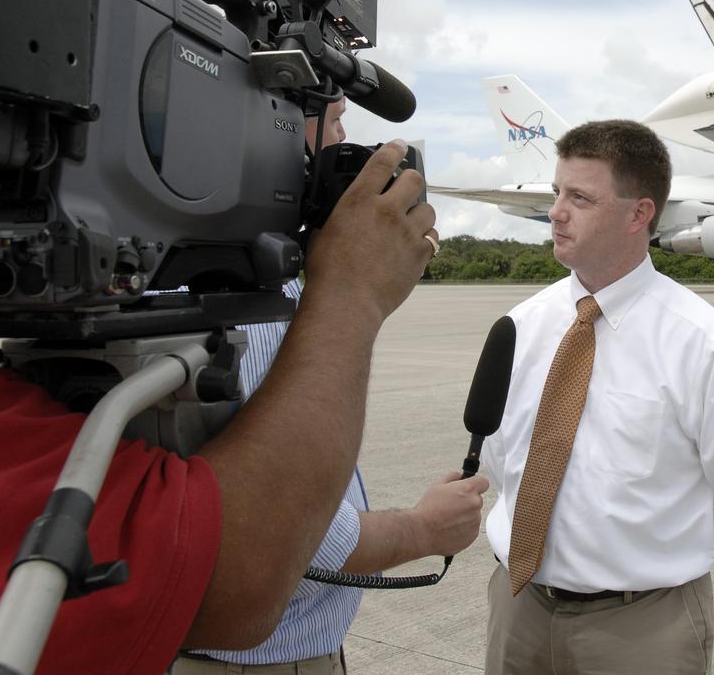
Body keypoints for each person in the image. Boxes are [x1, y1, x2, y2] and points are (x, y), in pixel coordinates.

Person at [0, 139, 438, 675]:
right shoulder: (191, 279)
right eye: (325, 121)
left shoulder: (259, 278)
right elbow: (237, 573)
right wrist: (353, 295)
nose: (338, 148)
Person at [176, 99, 489, 674]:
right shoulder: (220, 293)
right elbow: (281, 540)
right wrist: (422, 528)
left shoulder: (268, 279)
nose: (346, 137)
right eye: (332, 116)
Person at [480, 120, 714, 675]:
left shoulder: (699, 339)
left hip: (643, 627)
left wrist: (670, 548)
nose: (556, 211)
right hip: (519, 609)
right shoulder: (521, 324)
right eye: (556, 192)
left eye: (579, 197)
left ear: (638, 214)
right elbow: (504, 460)